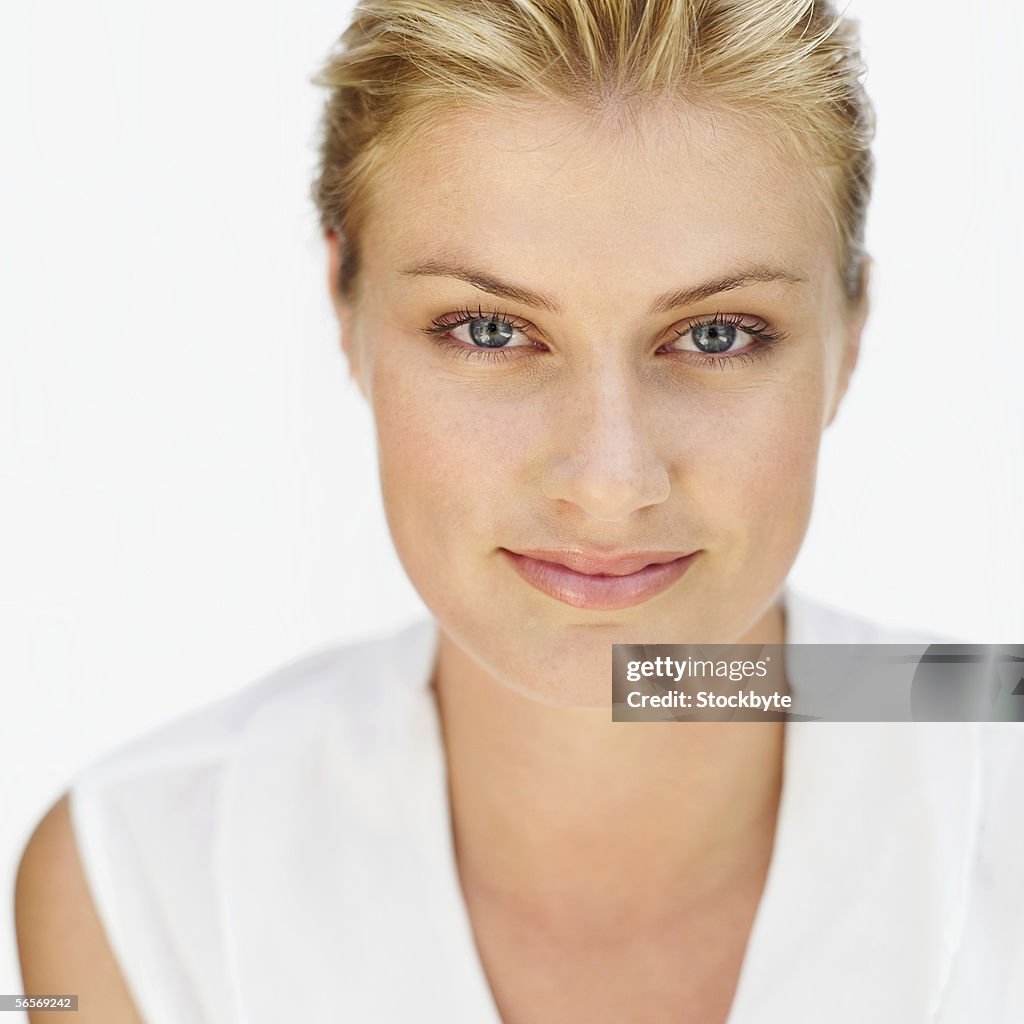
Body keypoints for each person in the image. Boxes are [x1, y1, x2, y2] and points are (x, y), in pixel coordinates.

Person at [14, 1, 1023, 1022]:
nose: (609, 480)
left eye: (715, 334)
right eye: (490, 328)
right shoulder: (147, 873)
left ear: (849, 335)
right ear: (345, 309)